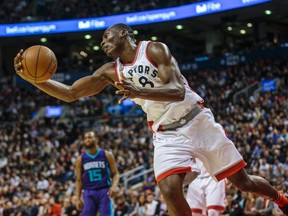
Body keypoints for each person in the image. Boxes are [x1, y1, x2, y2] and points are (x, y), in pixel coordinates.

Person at [14, 23, 288, 216]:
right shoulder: (110, 71)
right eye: (101, 41)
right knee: (169, 189)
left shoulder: (154, 50)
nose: (103, 43)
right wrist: (34, 79)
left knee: (245, 183)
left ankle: (282, 200)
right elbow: (72, 93)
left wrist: (138, 91)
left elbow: (177, 90)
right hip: (167, 134)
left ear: (123, 33)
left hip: (197, 121)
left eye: (107, 37)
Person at [74, 131, 119, 215]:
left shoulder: (107, 155)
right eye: (85, 138)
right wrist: (77, 198)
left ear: (96, 139)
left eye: (90, 137)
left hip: (104, 190)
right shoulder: (80, 159)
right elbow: (79, 180)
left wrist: (114, 186)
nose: (87, 140)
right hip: (88, 192)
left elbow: (115, 173)